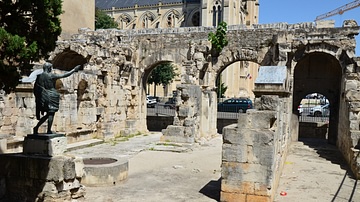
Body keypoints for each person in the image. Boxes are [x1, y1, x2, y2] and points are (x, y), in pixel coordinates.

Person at [33, 62, 80, 134]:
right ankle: (48, 130)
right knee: (51, 113)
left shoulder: (39, 76)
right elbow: (64, 75)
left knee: (49, 114)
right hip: (51, 96)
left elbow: (36, 88)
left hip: (44, 96)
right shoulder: (51, 75)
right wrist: (74, 70)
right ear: (48, 68)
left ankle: (37, 128)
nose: (51, 69)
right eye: (50, 68)